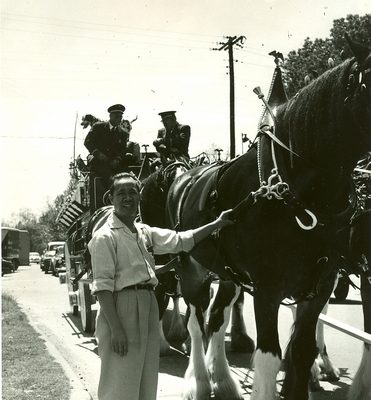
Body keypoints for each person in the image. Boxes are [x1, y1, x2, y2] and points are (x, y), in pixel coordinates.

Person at [88, 172, 233, 400]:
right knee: (120, 382)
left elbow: (182, 240)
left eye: (133, 192)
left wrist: (217, 223)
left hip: (148, 303)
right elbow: (103, 288)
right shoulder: (104, 237)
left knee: (146, 381)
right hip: (121, 308)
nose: (128, 198)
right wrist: (116, 329)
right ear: (111, 198)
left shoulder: (143, 231)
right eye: (121, 193)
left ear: (139, 196)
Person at [84, 104, 137, 183]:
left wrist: (117, 159)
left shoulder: (123, 133)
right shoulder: (98, 127)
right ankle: (111, 190)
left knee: (125, 177)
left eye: (120, 117)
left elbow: (123, 149)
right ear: (110, 116)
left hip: (113, 161)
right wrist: (98, 154)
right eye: (116, 117)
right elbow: (87, 142)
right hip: (97, 159)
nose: (119, 119)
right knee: (109, 177)